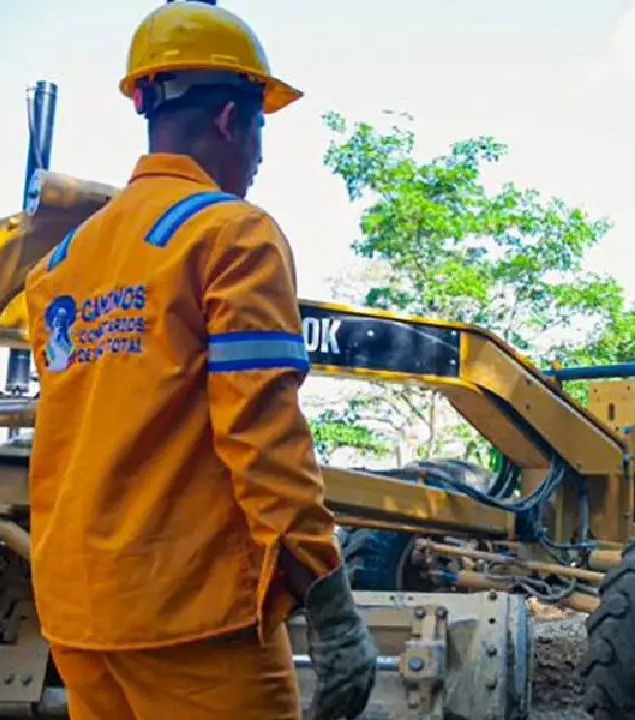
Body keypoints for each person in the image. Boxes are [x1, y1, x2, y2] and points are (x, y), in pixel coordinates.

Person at [22, 2, 376, 718]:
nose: (259, 157)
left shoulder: (62, 264)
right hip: (192, 622)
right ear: (229, 121)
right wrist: (329, 599)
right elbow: (260, 435)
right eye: (260, 130)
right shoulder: (231, 235)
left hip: (79, 616)